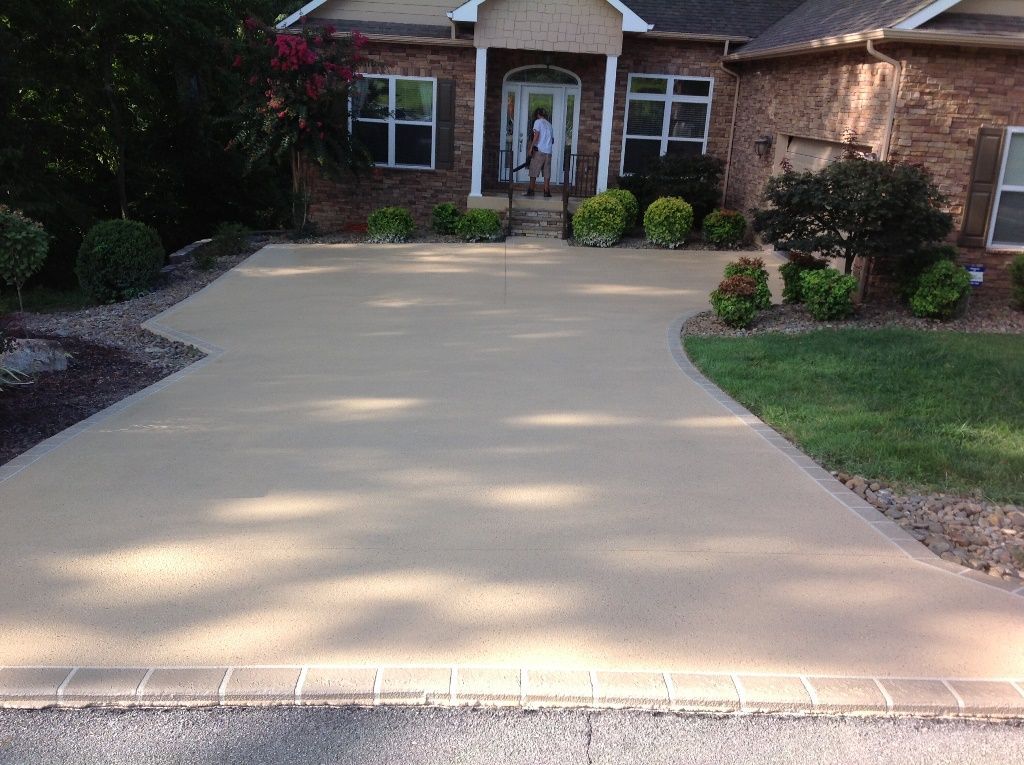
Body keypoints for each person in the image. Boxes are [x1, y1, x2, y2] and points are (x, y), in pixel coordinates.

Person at [525, 107, 553, 197]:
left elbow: (536, 135)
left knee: (533, 170)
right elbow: (552, 140)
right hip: (548, 151)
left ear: (537, 114)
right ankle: (546, 191)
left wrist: (531, 148)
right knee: (546, 172)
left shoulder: (538, 122)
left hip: (539, 150)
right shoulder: (549, 124)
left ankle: (531, 190)